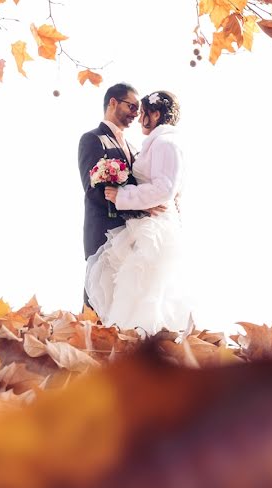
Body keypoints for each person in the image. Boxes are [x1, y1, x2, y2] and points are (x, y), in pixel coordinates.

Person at [85, 90, 191, 335]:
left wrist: (123, 196)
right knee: (135, 287)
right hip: (143, 224)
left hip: (155, 229)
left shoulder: (165, 143)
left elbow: (165, 188)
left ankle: (141, 344)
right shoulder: (156, 143)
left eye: (142, 111)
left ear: (155, 114)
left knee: (147, 290)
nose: (138, 116)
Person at [77, 83, 148, 309]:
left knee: (125, 302)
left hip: (131, 235)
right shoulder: (93, 139)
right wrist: (135, 208)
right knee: (98, 299)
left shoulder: (134, 148)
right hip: (102, 232)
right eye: (131, 106)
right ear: (113, 103)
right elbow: (93, 190)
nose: (135, 114)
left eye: (138, 109)